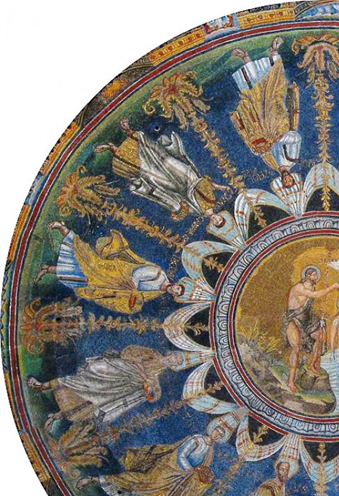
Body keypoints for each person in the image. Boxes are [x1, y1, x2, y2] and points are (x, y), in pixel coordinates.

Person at [76, 428, 222, 496]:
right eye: (217, 431)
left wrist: (200, 475)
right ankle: (93, 479)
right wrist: (190, 469)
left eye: (220, 435)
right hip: (168, 468)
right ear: (212, 429)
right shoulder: (197, 439)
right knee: (139, 482)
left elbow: (202, 467)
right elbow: (180, 454)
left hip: (178, 478)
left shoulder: (210, 451)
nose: (217, 435)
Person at [35, 221, 184, 313]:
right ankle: (62, 228)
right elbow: (137, 274)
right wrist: (133, 290)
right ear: (176, 284)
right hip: (117, 272)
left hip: (115, 285)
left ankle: (47, 268)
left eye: (176, 292)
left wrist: (133, 303)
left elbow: (139, 297)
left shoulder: (158, 292)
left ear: (174, 296)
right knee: (88, 260)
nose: (174, 290)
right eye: (177, 288)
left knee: (83, 278)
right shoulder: (158, 274)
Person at [95, 118, 228, 220]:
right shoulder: (212, 202)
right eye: (220, 220)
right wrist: (222, 188)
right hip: (188, 177)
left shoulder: (198, 213)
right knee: (164, 158)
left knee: (149, 172)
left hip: (176, 188)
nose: (216, 220)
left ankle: (112, 148)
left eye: (216, 224)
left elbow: (176, 204)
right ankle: (129, 131)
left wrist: (179, 211)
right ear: (221, 215)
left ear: (212, 224)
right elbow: (207, 184)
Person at [27, 347, 179, 432]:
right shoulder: (152, 353)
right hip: (118, 370)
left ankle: (57, 416)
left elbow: (155, 395)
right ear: (170, 354)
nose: (171, 361)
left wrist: (149, 391)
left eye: (174, 363)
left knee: (95, 401)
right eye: (173, 358)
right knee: (85, 380)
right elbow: (129, 353)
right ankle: (42, 386)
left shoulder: (157, 375)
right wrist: (144, 375)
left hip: (123, 386)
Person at [230, 37, 301, 188]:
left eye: (285, 182)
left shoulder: (272, 164)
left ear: (282, 181)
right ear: (293, 177)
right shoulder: (292, 160)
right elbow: (296, 138)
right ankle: (274, 52)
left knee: (252, 93)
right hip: (277, 123)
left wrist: (256, 149)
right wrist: (280, 139)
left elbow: (261, 152)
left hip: (261, 126)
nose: (287, 179)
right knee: (274, 88)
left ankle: (245, 58)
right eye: (290, 180)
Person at [283, 266, 339, 393]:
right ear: (307, 276)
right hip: (294, 319)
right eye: (314, 275)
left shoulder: (311, 287)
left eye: (316, 275)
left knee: (320, 334)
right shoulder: (299, 287)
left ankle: (313, 364)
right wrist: (332, 287)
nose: (316, 277)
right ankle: (291, 381)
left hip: (307, 320)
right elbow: (314, 295)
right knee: (296, 348)